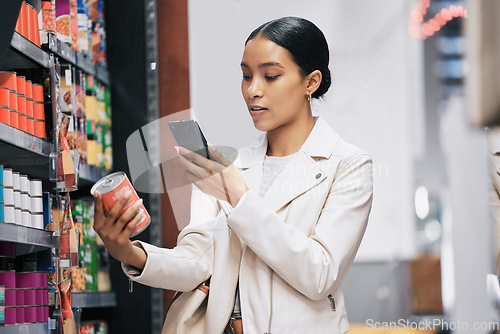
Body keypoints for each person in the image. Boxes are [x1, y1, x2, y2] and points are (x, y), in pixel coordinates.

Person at [93, 16, 373, 334]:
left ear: (311, 82)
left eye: (270, 76)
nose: (253, 90)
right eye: (245, 76)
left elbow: (319, 275)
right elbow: (195, 263)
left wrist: (239, 196)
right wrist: (128, 252)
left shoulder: (349, 164)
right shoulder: (229, 166)